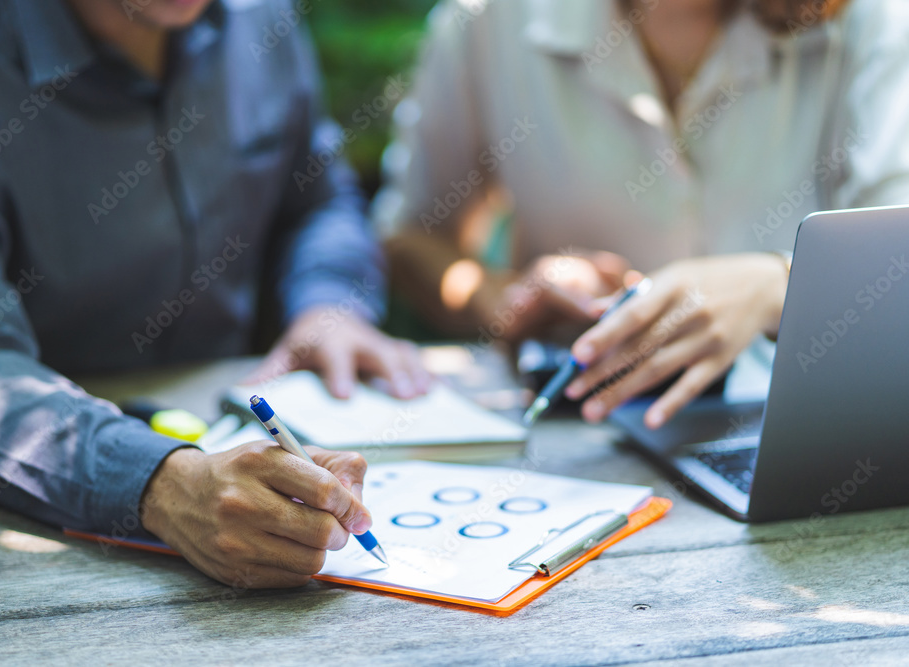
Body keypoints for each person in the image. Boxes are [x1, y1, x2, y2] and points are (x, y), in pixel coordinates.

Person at [0, 0, 430, 588]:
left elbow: (317, 200)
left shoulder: (262, 17)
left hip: (240, 423)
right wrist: (159, 483)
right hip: (48, 538)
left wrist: (328, 302)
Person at [378, 0, 909, 429]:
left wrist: (775, 286)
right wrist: (508, 299)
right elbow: (411, 237)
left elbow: (897, 253)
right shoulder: (488, 22)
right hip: (581, 435)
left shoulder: (872, 20)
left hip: (807, 436)